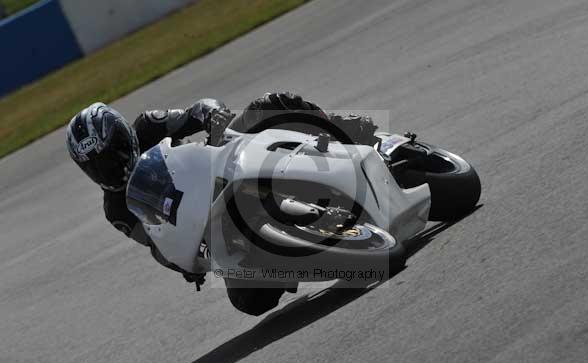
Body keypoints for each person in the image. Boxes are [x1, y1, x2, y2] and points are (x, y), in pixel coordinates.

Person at [66, 92, 378, 287]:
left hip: (220, 163)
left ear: (124, 135)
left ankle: (344, 133)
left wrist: (213, 117)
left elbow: (198, 110)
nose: (112, 168)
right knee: (251, 302)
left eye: (114, 154)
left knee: (269, 105)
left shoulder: (148, 126)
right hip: (205, 224)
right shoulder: (116, 209)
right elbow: (154, 242)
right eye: (97, 166)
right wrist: (182, 263)